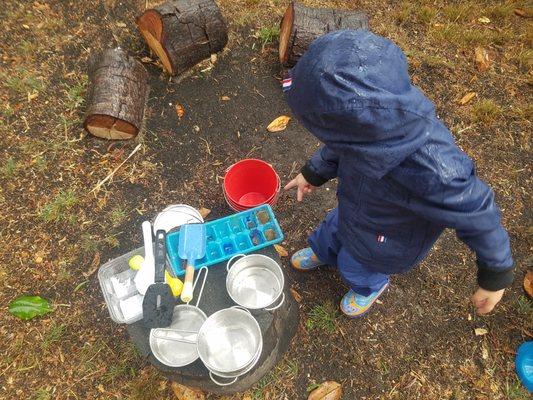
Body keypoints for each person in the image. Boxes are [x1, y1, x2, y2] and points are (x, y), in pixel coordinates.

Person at [283, 30, 514, 318]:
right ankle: (324, 252)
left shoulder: (435, 168)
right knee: (331, 233)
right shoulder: (361, 127)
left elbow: (478, 213)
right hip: (354, 207)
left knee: (355, 266)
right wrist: (313, 173)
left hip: (387, 240)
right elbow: (338, 148)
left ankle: (369, 287)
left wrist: (495, 275)